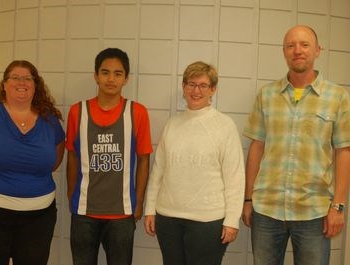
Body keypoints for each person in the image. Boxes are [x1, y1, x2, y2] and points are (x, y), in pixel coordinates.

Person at [242, 25, 350, 265]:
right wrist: (248, 200)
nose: (297, 51)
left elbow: (344, 152)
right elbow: (256, 149)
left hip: (314, 212)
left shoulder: (338, 97)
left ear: (318, 50)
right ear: (284, 51)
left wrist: (339, 207)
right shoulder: (267, 94)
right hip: (266, 211)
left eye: (304, 45)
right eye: (291, 46)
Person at [0, 60, 65, 265]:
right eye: (15, 77)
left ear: (36, 85)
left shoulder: (50, 121)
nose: (21, 82)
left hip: (38, 219)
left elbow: (54, 162)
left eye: (27, 78)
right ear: (5, 84)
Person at [144, 61, 245, 265]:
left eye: (203, 85)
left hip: (208, 223)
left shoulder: (225, 126)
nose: (196, 90)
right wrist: (150, 209)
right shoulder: (172, 124)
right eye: (191, 84)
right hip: (167, 218)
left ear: (213, 90)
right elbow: (158, 171)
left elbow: (235, 176)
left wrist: (232, 220)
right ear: (183, 87)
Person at [66, 48, 152, 265]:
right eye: (105, 72)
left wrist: (139, 201)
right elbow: (72, 157)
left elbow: (143, 159)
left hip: (122, 213)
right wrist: (71, 195)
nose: (111, 79)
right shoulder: (77, 111)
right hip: (84, 211)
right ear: (96, 76)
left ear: (126, 79)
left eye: (117, 73)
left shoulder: (137, 112)